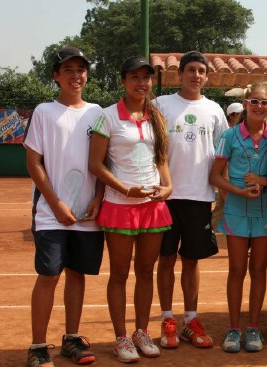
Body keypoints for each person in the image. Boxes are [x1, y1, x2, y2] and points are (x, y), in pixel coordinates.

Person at [24, 46, 105, 367]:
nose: (76, 76)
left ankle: (72, 338)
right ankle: (37, 346)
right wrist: (56, 204)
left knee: (77, 274)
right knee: (48, 275)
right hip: (50, 213)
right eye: (68, 70)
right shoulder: (44, 112)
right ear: (56, 76)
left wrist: (98, 198)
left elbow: (102, 163)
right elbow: (33, 163)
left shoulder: (98, 113)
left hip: (86, 215)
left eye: (81, 69)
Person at [88, 56, 173, 363]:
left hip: (152, 205)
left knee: (146, 272)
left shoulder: (156, 115)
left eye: (146, 78)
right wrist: (125, 189)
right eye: (135, 77)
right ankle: (121, 337)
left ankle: (141, 331)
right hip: (120, 204)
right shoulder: (107, 117)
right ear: (123, 81)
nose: (142, 83)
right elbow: (95, 164)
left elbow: (160, 156)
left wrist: (167, 186)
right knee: (120, 274)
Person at [155, 51, 228, 349]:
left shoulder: (214, 110)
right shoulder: (160, 105)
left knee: (191, 261)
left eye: (201, 71)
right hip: (165, 196)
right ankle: (167, 320)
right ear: (179, 74)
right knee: (166, 259)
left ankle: (190, 319)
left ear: (207, 77)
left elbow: (224, 152)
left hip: (199, 197)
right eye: (191, 70)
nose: (196, 76)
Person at [210, 82, 267, 353]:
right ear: (246, 103)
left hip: (266, 212)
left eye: (264, 102)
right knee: (236, 270)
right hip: (236, 211)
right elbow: (214, 176)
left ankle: (253, 328)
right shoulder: (229, 136)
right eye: (255, 101)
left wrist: (264, 180)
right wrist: (238, 190)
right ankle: (234, 327)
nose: (259, 106)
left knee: (258, 270)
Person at [211, 102, 244, 231]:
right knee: (223, 205)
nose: (241, 116)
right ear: (231, 117)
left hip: (235, 178)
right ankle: (211, 234)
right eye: (237, 114)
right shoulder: (227, 134)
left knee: (221, 205)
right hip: (227, 178)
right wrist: (224, 181)